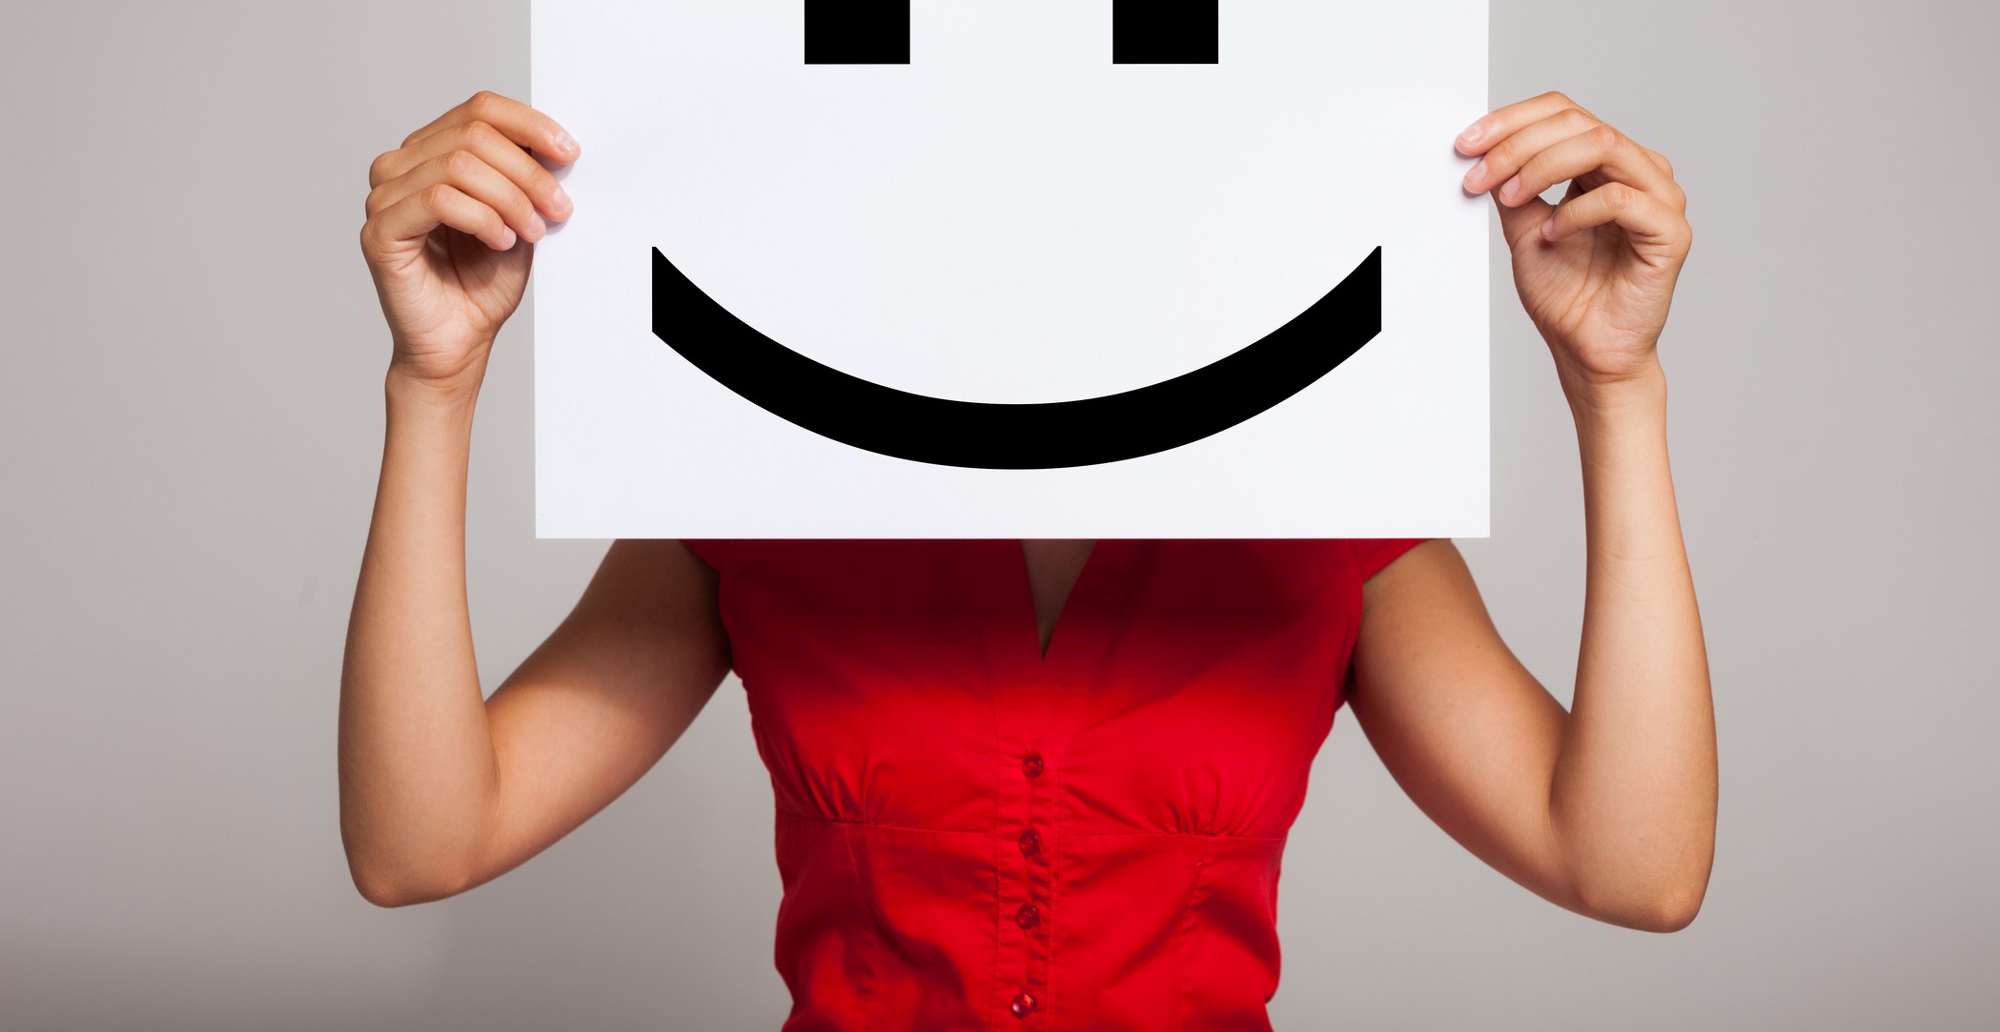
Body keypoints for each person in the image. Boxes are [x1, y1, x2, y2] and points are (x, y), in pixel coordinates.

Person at [342, 89, 1714, 1029]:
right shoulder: (760, 490)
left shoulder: (1327, 512)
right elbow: (422, 841)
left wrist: (1616, 385)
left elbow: (1633, 867)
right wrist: (434, 380)